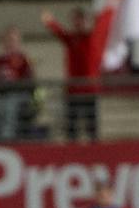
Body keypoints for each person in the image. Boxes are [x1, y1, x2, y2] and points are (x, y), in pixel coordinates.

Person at [41, 7, 99, 142]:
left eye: (80, 20)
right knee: (72, 127)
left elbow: (102, 26)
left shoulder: (91, 37)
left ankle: (95, 151)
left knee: (91, 127)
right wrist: (50, 21)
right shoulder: (71, 39)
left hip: (89, 90)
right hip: (73, 90)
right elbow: (60, 32)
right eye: (75, 20)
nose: (77, 23)